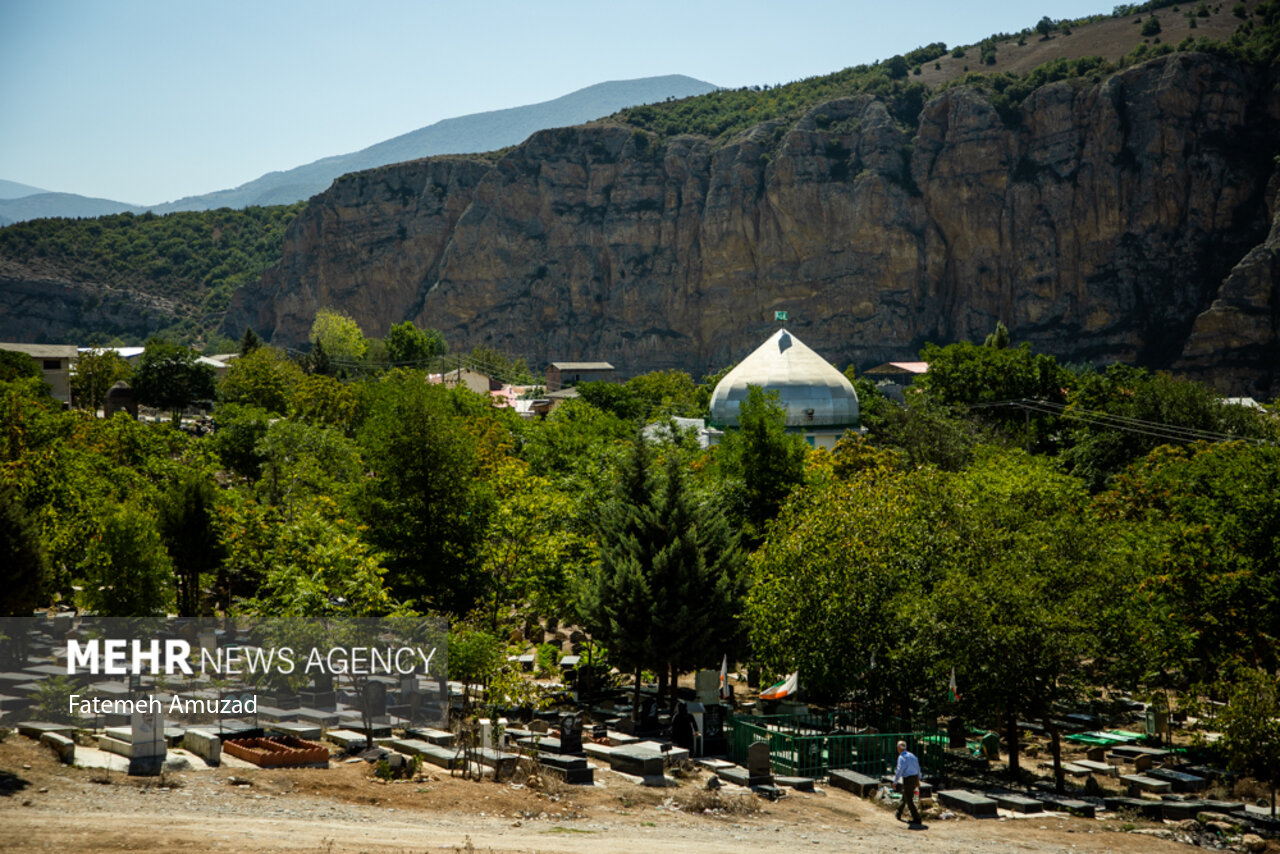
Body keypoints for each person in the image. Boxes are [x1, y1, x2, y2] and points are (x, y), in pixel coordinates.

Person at [893, 740, 922, 824]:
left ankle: (917, 818)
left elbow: (899, 770)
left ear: (898, 748)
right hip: (914, 778)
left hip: (908, 779)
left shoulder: (902, 757)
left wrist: (895, 781)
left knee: (909, 799)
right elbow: (918, 768)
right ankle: (898, 813)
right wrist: (918, 779)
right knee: (905, 795)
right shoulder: (912, 756)